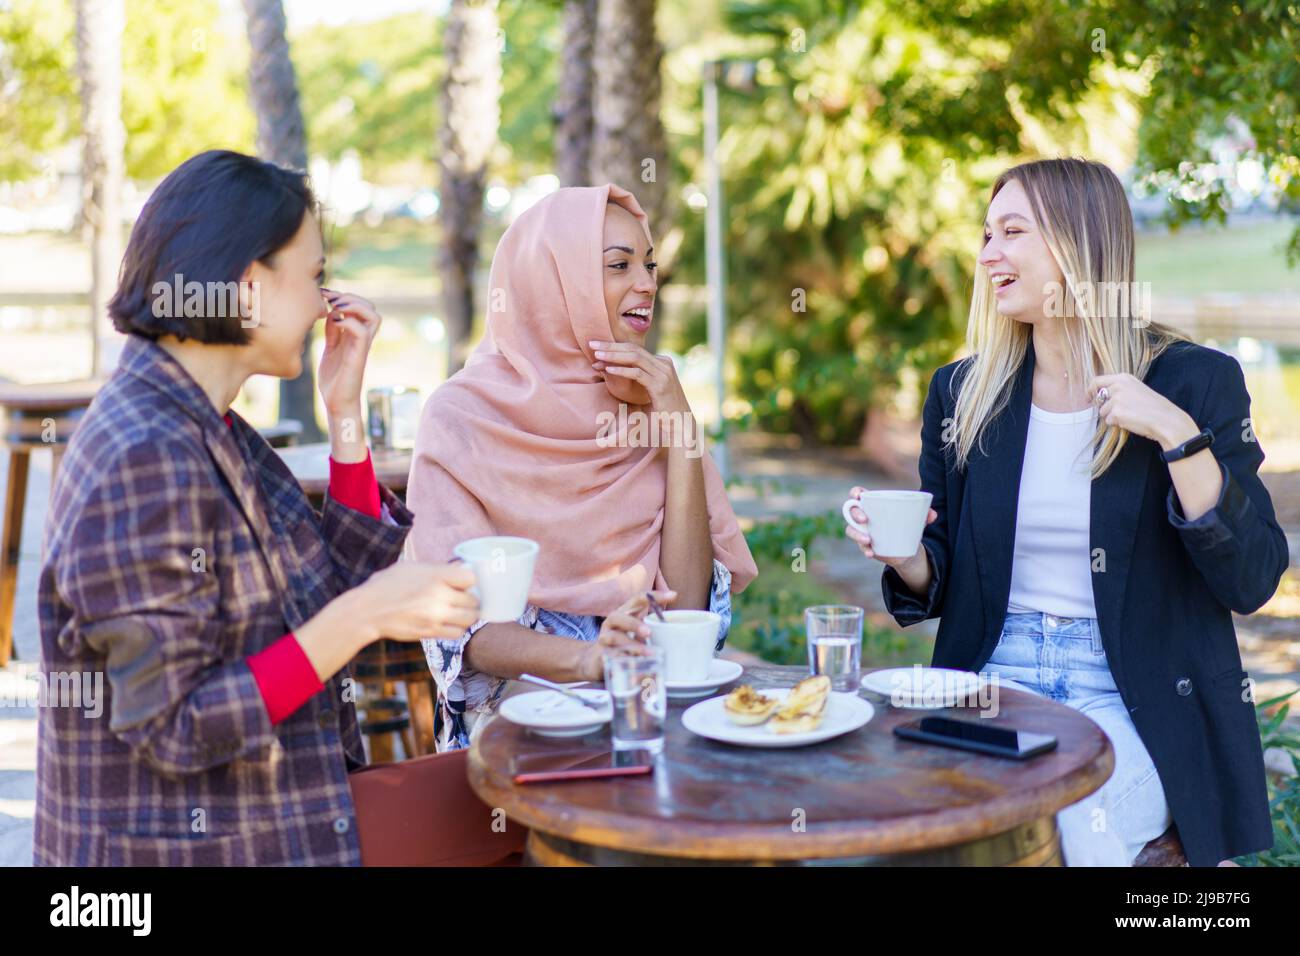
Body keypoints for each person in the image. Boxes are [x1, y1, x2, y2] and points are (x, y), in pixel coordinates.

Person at [35, 150, 478, 865]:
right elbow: (176, 724)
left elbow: (328, 587)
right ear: (248, 287)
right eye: (314, 277)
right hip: (179, 852)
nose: (322, 303)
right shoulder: (144, 453)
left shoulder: (212, 424)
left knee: (512, 797)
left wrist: (345, 416)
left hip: (281, 815)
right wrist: (368, 616)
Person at [849, 157, 1285, 867]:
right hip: (992, 681)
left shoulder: (1193, 381)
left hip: (1133, 696)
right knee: (920, 824)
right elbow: (940, 580)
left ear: (1078, 244)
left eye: (1011, 232)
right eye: (986, 234)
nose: (988, 254)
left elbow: (1253, 578)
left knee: (1064, 826)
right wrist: (903, 555)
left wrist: (1178, 436)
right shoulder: (964, 393)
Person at [407, 183, 758, 751]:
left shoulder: (650, 400)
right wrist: (591, 660)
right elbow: (465, 629)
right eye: (619, 265)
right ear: (553, 281)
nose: (646, 284)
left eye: (649, 264)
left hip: (654, 722)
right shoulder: (461, 416)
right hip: (527, 735)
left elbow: (689, 610)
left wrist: (681, 432)